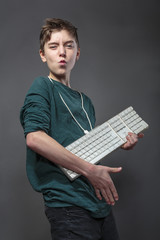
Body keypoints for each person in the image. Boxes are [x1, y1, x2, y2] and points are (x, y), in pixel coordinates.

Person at [20, 18, 143, 240]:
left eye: (69, 45)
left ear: (77, 53)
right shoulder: (42, 87)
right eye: (53, 46)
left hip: (98, 203)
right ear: (42, 54)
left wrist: (119, 142)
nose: (62, 52)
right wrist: (90, 170)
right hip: (68, 206)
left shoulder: (85, 102)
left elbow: (83, 146)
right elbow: (35, 138)